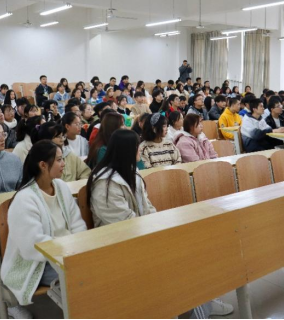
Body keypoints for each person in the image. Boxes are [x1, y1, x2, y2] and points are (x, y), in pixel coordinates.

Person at [88, 129, 233, 318]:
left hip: (141, 234)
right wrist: (158, 235)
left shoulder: (131, 173)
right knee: (178, 255)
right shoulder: (105, 184)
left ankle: (204, 301)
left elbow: (147, 207)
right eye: (136, 147)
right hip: (118, 244)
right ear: (127, 150)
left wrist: (162, 227)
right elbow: (124, 225)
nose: (140, 151)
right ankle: (199, 308)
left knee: (193, 243)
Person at [1, 140, 87, 319]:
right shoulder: (25, 199)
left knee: (97, 265)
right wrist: (67, 252)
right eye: (59, 160)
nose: (64, 164)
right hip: (40, 261)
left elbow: (76, 222)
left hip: (67, 251)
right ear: (43, 165)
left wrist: (79, 247)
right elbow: (32, 246)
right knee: (82, 276)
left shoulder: (61, 186)